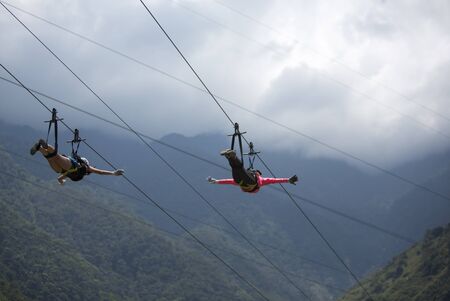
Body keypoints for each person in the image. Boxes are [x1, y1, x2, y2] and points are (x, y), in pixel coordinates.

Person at [30, 139, 124, 184]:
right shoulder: (85, 168)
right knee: (55, 156)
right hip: (69, 166)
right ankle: (45, 147)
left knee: (52, 157)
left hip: (63, 170)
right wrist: (113, 173)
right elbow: (100, 172)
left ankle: (40, 148)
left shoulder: (82, 169)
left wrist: (62, 181)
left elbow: (59, 178)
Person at [207, 149, 298, 193]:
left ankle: (232, 156)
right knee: (236, 168)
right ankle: (230, 157)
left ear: (258, 173)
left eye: (256, 172)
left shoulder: (260, 180)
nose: (255, 172)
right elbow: (229, 181)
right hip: (242, 183)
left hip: (250, 183)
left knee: (239, 168)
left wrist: (287, 180)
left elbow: (275, 180)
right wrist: (216, 181)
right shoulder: (255, 177)